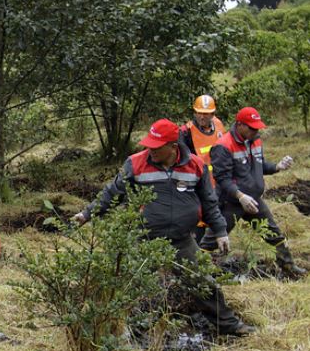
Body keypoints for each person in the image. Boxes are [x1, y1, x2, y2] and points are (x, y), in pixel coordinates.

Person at [72, 119, 255, 336]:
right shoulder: (136, 163)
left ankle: (227, 325)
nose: (151, 150)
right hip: (144, 239)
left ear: (173, 147)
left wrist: (221, 231)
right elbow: (112, 193)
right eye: (149, 145)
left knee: (204, 284)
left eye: (157, 147)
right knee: (128, 285)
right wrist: (86, 214)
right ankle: (112, 333)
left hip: (182, 240)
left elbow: (209, 202)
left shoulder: (196, 166)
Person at [199, 106, 305, 277]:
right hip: (230, 202)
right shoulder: (223, 146)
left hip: (254, 199)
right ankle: (198, 272)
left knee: (273, 233)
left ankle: (288, 267)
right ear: (240, 125)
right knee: (212, 240)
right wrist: (240, 196)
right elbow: (222, 178)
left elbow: (259, 165)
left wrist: (277, 167)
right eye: (252, 127)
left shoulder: (256, 140)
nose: (256, 131)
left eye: (257, 127)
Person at [179, 94, 228, 241]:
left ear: (213, 114)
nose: (202, 117)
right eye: (199, 113)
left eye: (206, 114)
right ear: (194, 112)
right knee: (199, 217)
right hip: (198, 182)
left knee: (215, 214)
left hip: (218, 181)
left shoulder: (218, 125)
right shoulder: (185, 132)